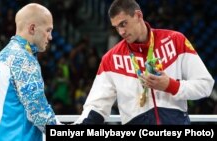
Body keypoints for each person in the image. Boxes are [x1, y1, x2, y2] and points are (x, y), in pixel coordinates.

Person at [74, 0, 215, 125]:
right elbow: (96, 106)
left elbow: (205, 85)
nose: (121, 32)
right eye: (116, 27)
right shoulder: (110, 59)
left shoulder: (175, 41)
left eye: (123, 24)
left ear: (138, 15)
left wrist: (171, 86)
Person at [0, 3, 60, 141]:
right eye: (48, 30)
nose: (50, 37)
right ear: (32, 28)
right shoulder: (23, 60)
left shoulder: (0, 58)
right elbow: (38, 112)